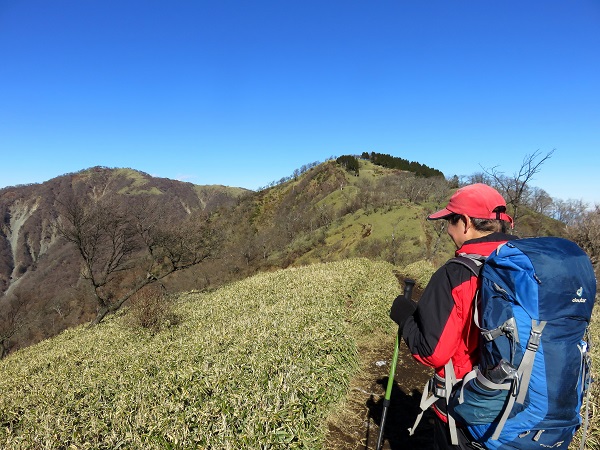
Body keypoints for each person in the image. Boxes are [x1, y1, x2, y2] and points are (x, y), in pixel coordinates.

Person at [390, 183, 518, 450]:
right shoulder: (525, 265)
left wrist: (404, 317)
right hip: (526, 409)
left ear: (466, 222)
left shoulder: (456, 274)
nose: (448, 229)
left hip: (468, 411)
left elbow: (432, 351)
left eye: (450, 220)